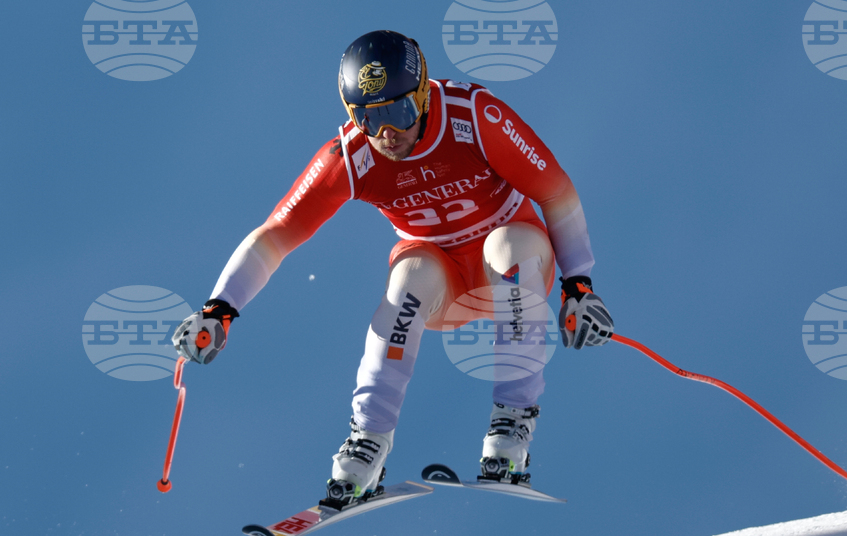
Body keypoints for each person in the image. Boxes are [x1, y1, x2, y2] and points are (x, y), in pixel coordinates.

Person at [172, 30, 613, 506]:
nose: (387, 133)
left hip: (510, 270)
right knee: (409, 277)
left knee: (510, 246)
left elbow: (556, 191)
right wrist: (220, 308)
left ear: (423, 95)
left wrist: (578, 284)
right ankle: (367, 444)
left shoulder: (473, 118)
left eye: (399, 113)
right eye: (368, 118)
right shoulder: (351, 157)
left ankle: (511, 429)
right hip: (443, 286)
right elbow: (277, 233)